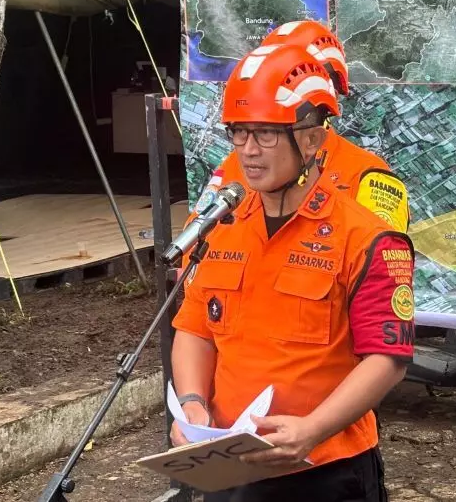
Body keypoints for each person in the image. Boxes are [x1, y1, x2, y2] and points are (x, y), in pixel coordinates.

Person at [169, 43, 416, 502]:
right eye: (239, 132)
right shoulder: (221, 228)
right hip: (227, 464)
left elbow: (388, 359)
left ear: (312, 140)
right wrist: (192, 405)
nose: (248, 151)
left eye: (265, 133)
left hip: (326, 471)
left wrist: (313, 429)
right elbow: (195, 329)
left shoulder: (366, 237)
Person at [188, 19, 410, 234]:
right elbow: (198, 234)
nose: (250, 148)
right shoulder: (240, 162)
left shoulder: (367, 174)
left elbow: (378, 250)